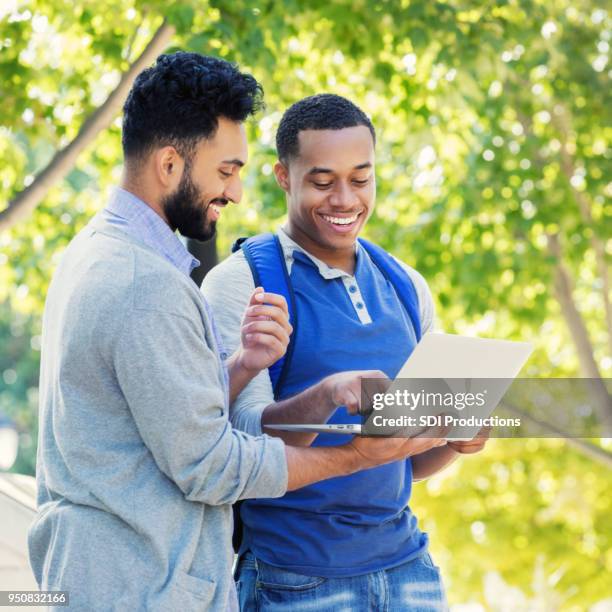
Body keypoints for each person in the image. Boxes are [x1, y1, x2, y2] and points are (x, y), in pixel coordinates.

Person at [28, 56, 448, 612]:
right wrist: (353, 453)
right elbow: (212, 464)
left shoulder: (102, 254)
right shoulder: (145, 283)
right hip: (136, 584)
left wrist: (245, 365)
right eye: (226, 171)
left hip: (132, 578)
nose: (236, 192)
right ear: (171, 164)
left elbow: (173, 413)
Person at [202, 94, 490, 611]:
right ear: (283, 177)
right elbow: (242, 444)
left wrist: (456, 439)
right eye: (322, 180)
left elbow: (404, 460)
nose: (344, 199)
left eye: (361, 179)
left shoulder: (406, 286)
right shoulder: (242, 283)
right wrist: (326, 395)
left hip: (410, 573)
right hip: (296, 580)